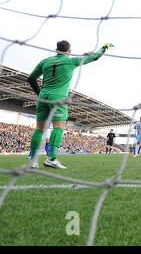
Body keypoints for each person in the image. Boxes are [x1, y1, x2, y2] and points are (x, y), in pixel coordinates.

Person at [27, 40, 113, 169]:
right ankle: (51, 158)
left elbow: (31, 78)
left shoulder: (45, 61)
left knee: (39, 129)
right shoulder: (71, 61)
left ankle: (33, 161)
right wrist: (104, 48)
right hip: (58, 98)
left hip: (43, 97)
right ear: (69, 51)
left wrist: (40, 94)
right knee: (58, 127)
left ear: (56, 50)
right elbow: (95, 57)